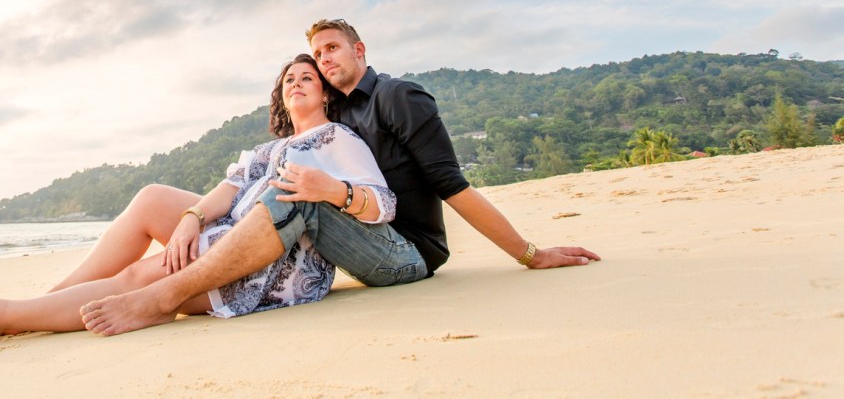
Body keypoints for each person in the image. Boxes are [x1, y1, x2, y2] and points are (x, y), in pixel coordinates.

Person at [80, 18, 600, 336]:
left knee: (299, 193)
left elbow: (451, 184)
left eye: (332, 48)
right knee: (163, 199)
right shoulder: (337, 119)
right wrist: (194, 214)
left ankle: (163, 297)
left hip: (406, 251)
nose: (324, 59)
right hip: (348, 238)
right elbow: (247, 186)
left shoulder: (398, 96)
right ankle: (62, 296)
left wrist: (529, 254)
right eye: (316, 54)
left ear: (360, 51)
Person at [0, 53, 395, 342]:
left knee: (140, 273)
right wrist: (192, 217)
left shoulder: (337, 138)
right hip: (234, 225)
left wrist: (334, 191)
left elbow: (383, 205)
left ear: (326, 94)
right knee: (153, 198)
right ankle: (50, 302)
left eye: (307, 78)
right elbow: (226, 192)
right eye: (289, 78)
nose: (296, 82)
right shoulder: (268, 149)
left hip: (276, 260)